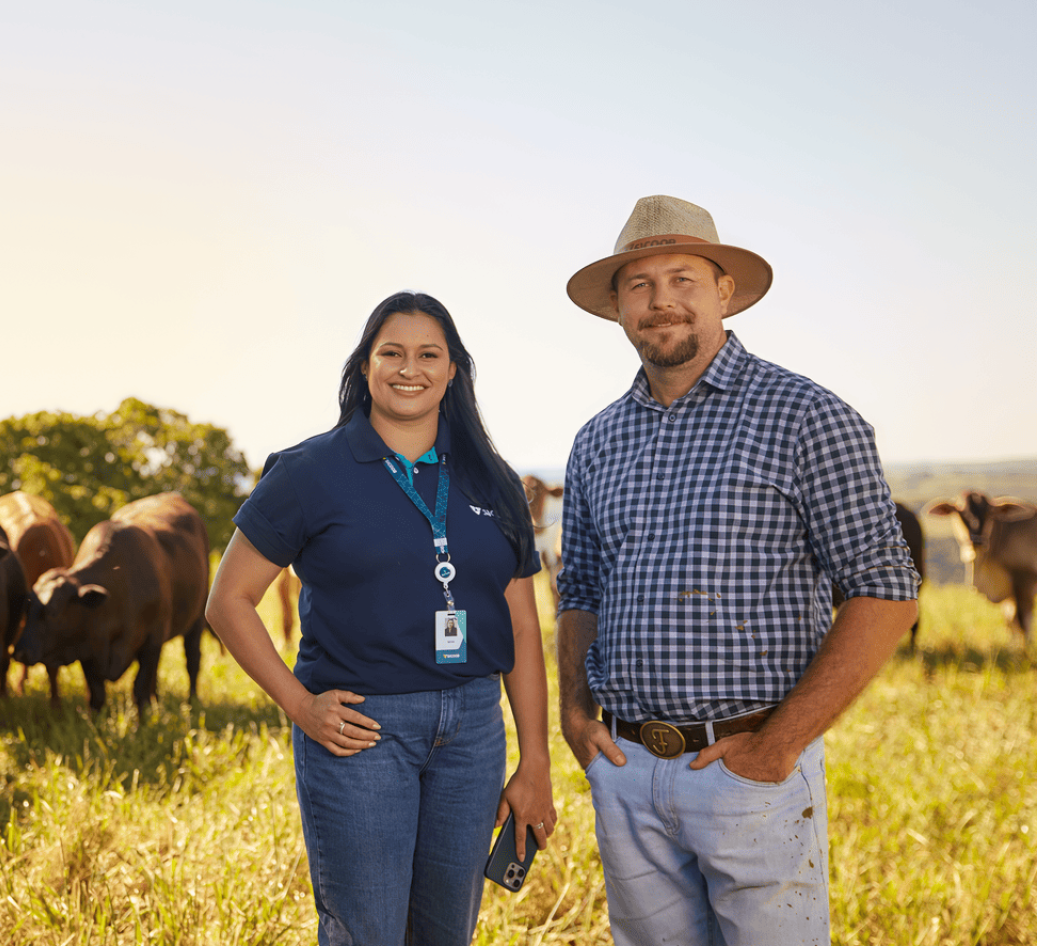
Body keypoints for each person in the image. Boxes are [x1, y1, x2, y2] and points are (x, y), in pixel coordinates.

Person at [556, 195, 919, 945]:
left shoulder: (806, 416)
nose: (661, 302)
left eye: (682, 278)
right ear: (618, 307)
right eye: (639, 285)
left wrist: (778, 745)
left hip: (751, 769)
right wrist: (572, 710)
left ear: (724, 290)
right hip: (625, 767)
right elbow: (581, 590)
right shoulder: (596, 441)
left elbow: (885, 587)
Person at [206, 291, 556, 945]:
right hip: (362, 730)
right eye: (390, 352)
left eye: (430, 354)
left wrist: (534, 758)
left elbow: (523, 629)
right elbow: (227, 601)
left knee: (446, 933)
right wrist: (299, 704)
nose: (409, 368)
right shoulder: (310, 471)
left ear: (454, 371)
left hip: (475, 734)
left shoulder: (494, 479)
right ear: (364, 366)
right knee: (366, 931)